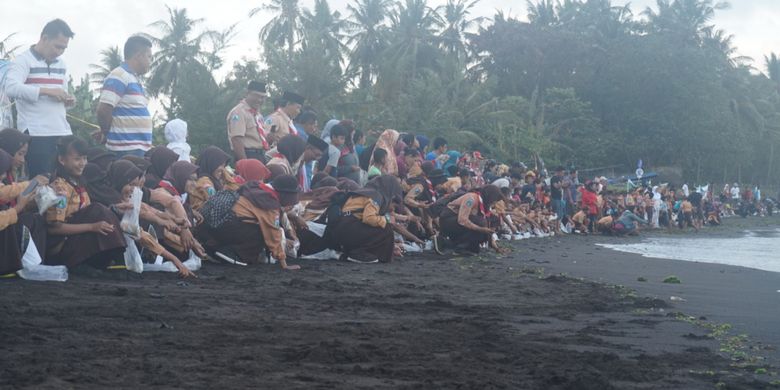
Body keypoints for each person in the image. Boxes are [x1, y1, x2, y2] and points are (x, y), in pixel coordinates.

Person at [4, 19, 75, 177]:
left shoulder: (61, 64)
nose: (59, 51)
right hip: (37, 132)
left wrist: (68, 100)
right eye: (57, 46)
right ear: (44, 38)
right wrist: (46, 91)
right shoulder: (23, 61)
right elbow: (11, 88)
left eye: (63, 48)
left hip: (62, 130)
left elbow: (61, 93)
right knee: (42, 182)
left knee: (64, 183)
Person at [45, 136, 126, 268]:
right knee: (97, 210)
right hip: (59, 248)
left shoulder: (79, 185)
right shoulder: (59, 188)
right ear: (61, 159)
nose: (83, 163)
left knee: (102, 212)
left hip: (75, 241)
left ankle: (113, 259)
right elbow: (54, 229)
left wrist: (115, 210)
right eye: (77, 159)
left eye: (84, 158)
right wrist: (92, 227)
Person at [203, 175, 302, 270]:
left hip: (215, 223)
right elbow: (273, 234)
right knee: (261, 233)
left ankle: (214, 248)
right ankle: (233, 255)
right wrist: (283, 262)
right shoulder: (269, 203)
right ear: (286, 194)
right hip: (230, 225)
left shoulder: (256, 188)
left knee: (253, 224)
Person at [94, 35, 154, 157]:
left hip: (136, 147)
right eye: (149, 57)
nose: (150, 62)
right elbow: (103, 110)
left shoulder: (133, 78)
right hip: (126, 148)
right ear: (138, 56)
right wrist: (106, 132)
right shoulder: (119, 75)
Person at [328, 175, 403, 263]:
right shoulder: (376, 195)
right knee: (386, 228)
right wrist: (387, 220)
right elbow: (369, 218)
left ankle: (351, 252)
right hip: (349, 228)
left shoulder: (365, 192)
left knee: (381, 226)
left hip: (340, 229)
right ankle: (358, 254)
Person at [439, 185, 508, 254]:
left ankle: (453, 244)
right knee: (481, 223)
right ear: (489, 197)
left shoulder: (484, 205)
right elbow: (462, 219)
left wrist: (496, 248)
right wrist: (480, 229)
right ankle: (458, 247)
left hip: (459, 224)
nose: (493, 204)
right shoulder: (471, 199)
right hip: (448, 221)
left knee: (482, 232)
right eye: (493, 201)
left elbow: (487, 229)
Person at [227, 81, 270, 161]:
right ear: (247, 93)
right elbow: (236, 139)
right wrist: (245, 163)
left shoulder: (258, 115)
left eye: (263, 97)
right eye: (257, 96)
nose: (260, 100)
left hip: (260, 155)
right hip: (248, 155)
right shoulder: (239, 112)